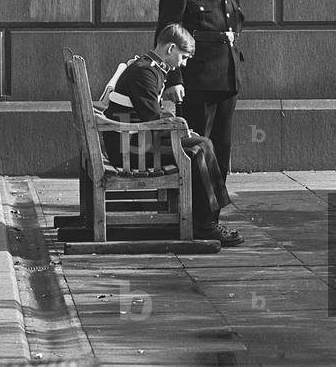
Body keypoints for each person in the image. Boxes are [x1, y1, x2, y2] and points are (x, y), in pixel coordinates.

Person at [102, 23, 243, 246]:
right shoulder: (145, 72)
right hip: (129, 150)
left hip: (134, 141)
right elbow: (152, 118)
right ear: (170, 49)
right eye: (184, 57)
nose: (184, 64)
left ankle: (207, 219)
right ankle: (205, 224)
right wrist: (181, 127)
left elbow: (152, 114)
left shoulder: (149, 68)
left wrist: (181, 128)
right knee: (198, 150)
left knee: (203, 144)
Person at [157, 0, 244, 182]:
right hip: (197, 81)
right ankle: (197, 217)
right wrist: (173, 80)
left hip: (227, 78)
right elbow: (167, 35)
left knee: (222, 148)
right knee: (197, 149)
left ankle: (214, 214)